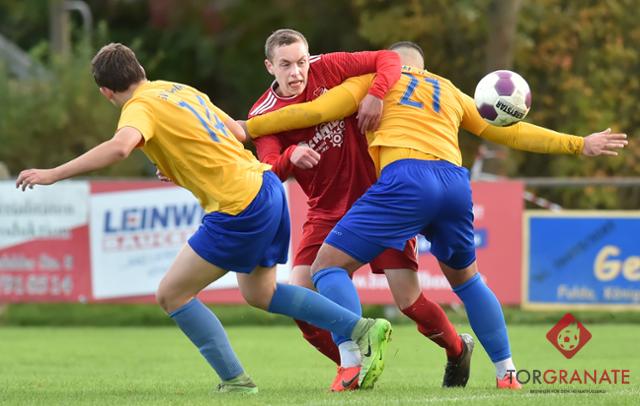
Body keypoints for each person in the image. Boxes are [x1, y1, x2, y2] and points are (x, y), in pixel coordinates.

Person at [243, 41, 628, 389]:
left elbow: (315, 110)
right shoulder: (451, 91)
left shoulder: (373, 82)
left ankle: (355, 361)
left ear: (391, 66)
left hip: (401, 184)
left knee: (327, 269)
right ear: (423, 67)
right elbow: (510, 133)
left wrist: (245, 128)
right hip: (454, 185)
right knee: (468, 281)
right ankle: (507, 372)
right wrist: (579, 143)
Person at [14, 42, 394, 393]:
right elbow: (235, 132)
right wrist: (176, 162)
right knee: (262, 293)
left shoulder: (138, 107)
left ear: (106, 92)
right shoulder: (178, 89)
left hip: (239, 204)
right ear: (141, 70)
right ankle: (360, 328)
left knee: (172, 294)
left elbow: (120, 148)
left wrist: (53, 174)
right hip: (267, 187)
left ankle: (236, 381)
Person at [248, 29, 472, 391]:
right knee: (300, 298)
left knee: (409, 301)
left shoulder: (329, 66)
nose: (297, 72)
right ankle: (352, 364)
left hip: (380, 201)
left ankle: (458, 348)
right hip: (326, 210)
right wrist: (290, 156)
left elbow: (389, 59)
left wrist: (375, 94)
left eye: (302, 61)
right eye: (286, 65)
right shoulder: (263, 114)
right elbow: (269, 167)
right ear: (269, 66)